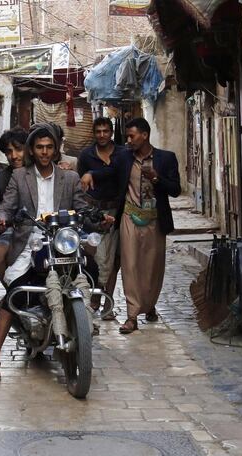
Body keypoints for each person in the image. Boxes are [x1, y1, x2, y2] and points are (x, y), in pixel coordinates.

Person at [0, 123, 113, 382]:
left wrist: (98, 221)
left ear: (55, 150)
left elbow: (81, 209)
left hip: (62, 239)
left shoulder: (70, 178)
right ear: (33, 149)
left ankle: (84, 320)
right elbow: (6, 206)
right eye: (39, 147)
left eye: (49, 147)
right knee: (15, 293)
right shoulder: (20, 177)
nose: (44, 151)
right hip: (31, 240)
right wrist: (2, 219)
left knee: (92, 271)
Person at [117, 117, 181, 334]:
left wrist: (156, 179)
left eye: (132, 136)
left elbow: (175, 189)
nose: (129, 140)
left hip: (155, 220)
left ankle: (150, 304)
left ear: (145, 135)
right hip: (129, 217)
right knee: (130, 265)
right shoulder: (124, 157)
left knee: (152, 267)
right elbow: (108, 173)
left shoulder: (166, 158)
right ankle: (132, 315)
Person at [78, 117, 129, 322]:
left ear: (111, 132)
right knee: (98, 259)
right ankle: (95, 301)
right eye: (98, 131)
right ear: (94, 133)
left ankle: (107, 303)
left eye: (105, 131)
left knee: (114, 260)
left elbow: (118, 173)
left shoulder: (123, 154)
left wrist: (93, 173)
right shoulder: (86, 155)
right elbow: (81, 184)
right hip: (94, 214)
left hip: (118, 211)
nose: (102, 135)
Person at [0, 127, 28, 282]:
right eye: (9, 152)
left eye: (19, 150)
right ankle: (12, 294)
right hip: (11, 230)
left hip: (39, 228)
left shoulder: (39, 170)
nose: (14, 156)